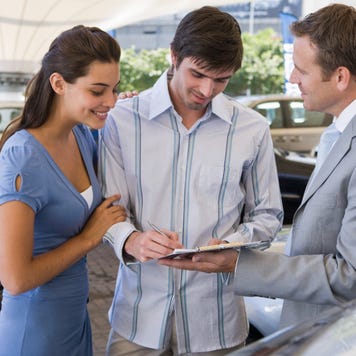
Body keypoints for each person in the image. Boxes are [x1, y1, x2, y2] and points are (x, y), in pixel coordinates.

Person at [159, 3, 356, 331]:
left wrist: (238, 264)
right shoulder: (336, 133)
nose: (293, 79)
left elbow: (349, 275)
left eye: (301, 71)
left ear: (340, 77)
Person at [99, 6, 283, 355]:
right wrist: (131, 240)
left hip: (215, 320)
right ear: (174, 54)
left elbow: (268, 215)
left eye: (221, 79)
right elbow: (110, 208)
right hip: (137, 317)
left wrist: (233, 244)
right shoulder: (122, 120)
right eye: (197, 74)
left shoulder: (253, 129)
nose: (206, 89)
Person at [0, 25, 126, 356]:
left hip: (75, 321)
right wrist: (88, 239)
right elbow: (14, 278)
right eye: (98, 91)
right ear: (58, 83)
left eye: (114, 89)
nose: (110, 101)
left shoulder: (82, 137)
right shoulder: (22, 156)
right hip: (36, 332)